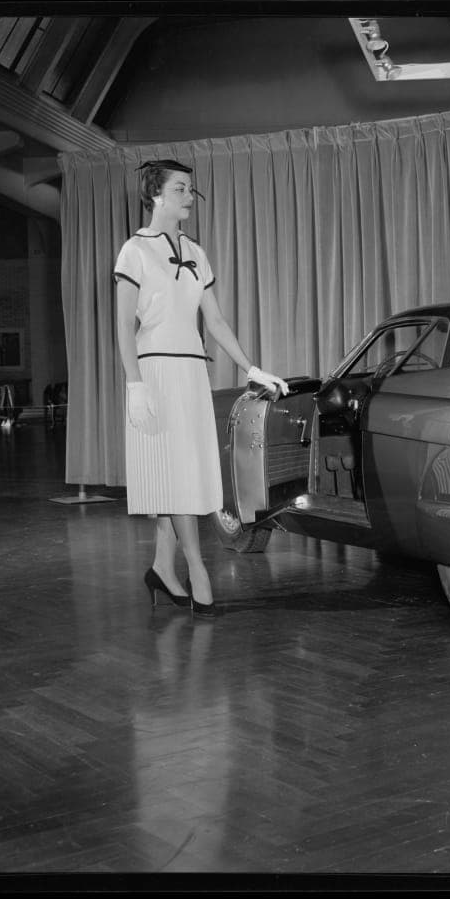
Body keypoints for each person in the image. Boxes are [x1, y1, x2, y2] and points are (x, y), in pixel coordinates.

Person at [114, 159, 288, 617]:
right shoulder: (134, 251)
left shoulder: (195, 251)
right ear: (156, 196)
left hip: (191, 373)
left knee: (183, 474)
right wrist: (134, 385)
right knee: (172, 479)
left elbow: (214, 320)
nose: (190, 197)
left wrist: (251, 367)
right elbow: (122, 327)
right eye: (181, 189)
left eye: (191, 190)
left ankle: (160, 569)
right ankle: (195, 568)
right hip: (152, 374)